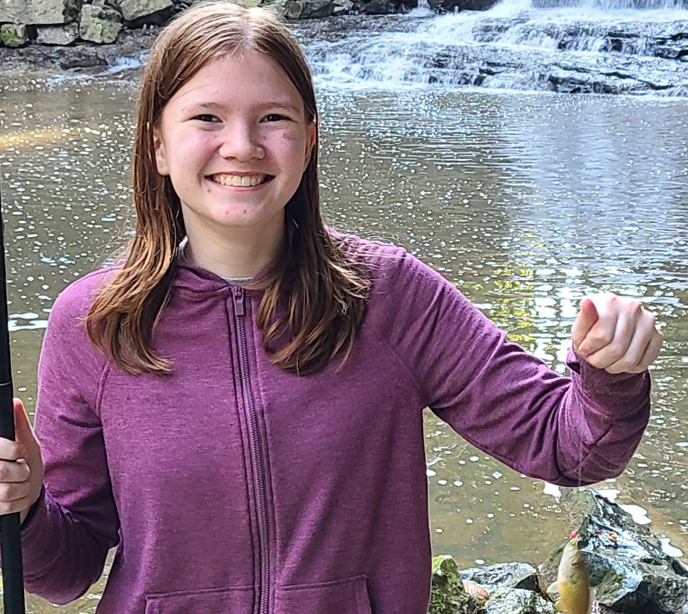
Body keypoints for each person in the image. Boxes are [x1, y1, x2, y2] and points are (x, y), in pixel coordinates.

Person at [0, 2, 663, 613]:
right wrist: (25, 506)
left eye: (273, 118)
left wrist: (610, 373)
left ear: (309, 138)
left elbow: (567, 444)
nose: (241, 145)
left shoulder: (391, 295)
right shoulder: (91, 322)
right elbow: (66, 572)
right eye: (207, 117)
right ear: (157, 145)